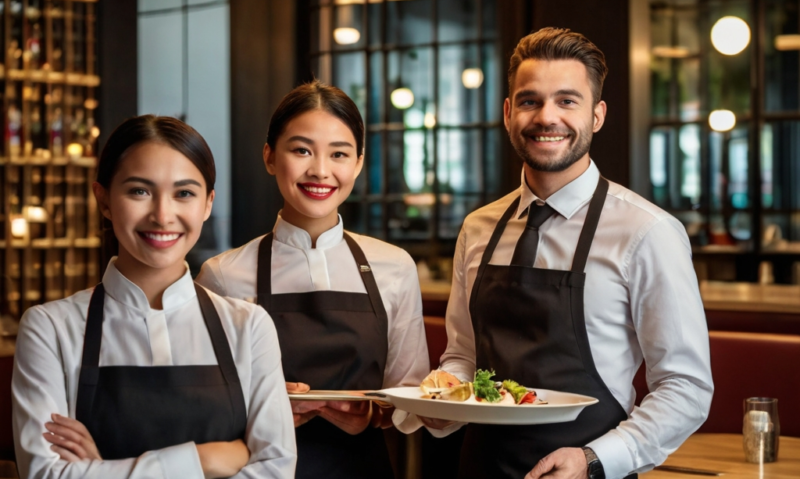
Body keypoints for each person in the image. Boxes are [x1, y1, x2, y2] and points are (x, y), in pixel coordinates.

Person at [423, 28, 714, 479]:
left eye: (567, 101)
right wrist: (441, 400)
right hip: (479, 467)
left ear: (597, 115)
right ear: (507, 113)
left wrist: (595, 460)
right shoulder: (478, 227)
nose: (546, 117)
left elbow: (685, 387)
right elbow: (463, 356)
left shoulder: (647, 232)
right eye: (529, 101)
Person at [12, 115, 296, 478]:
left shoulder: (249, 326)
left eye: (184, 193)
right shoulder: (49, 328)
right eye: (139, 191)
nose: (163, 215)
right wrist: (203, 461)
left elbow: (275, 470)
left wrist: (100, 469)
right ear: (104, 200)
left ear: (207, 204)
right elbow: (44, 474)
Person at [196, 81, 429, 479]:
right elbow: (202, 404)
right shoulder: (223, 275)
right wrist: (263, 410)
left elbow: (414, 396)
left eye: (338, 153)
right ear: (270, 156)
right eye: (301, 150)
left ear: (357, 163)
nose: (320, 170)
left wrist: (374, 414)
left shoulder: (395, 267)